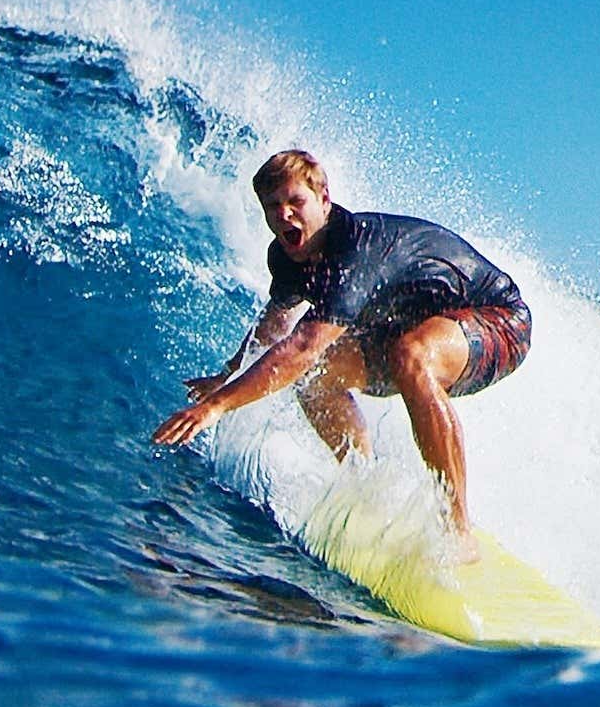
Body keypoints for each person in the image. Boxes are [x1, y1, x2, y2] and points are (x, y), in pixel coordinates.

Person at [153, 150, 532, 548]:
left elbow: (302, 345)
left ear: (324, 199)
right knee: (315, 377)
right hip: (407, 328)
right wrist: (226, 375)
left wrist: (215, 407)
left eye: (295, 202)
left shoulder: (354, 249)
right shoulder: (285, 257)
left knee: (410, 356)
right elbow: (275, 324)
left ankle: (457, 531)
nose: (284, 216)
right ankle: (364, 487)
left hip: (498, 322)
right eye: (273, 207)